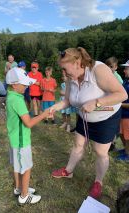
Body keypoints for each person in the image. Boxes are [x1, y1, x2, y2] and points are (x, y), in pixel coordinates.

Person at [50, 47, 127, 199]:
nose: (63, 73)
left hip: (106, 118)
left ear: (77, 62)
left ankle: (98, 182)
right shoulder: (72, 78)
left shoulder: (97, 70)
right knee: (78, 145)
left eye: (65, 69)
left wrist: (97, 102)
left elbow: (122, 94)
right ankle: (68, 171)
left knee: (100, 152)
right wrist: (55, 106)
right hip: (85, 116)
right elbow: (66, 101)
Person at [6, 67, 49, 204]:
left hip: (15, 139)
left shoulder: (11, 95)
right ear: (14, 84)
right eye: (24, 84)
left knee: (18, 167)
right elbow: (29, 123)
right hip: (21, 141)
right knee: (26, 167)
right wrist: (43, 114)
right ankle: (24, 196)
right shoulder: (18, 100)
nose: (26, 87)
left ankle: (18, 188)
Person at [105, 56, 123, 151]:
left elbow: (120, 91)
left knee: (113, 124)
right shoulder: (104, 75)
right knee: (106, 122)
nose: (109, 69)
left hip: (114, 105)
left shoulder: (117, 77)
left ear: (116, 67)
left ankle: (112, 143)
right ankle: (107, 142)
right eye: (107, 66)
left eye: (111, 67)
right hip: (106, 103)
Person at [116, 60, 129, 162]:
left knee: (127, 136)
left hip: (127, 116)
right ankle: (126, 150)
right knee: (121, 133)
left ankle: (128, 156)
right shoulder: (126, 81)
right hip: (122, 114)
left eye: (126, 68)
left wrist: (119, 104)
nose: (124, 70)